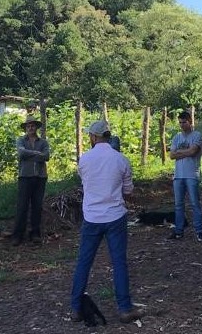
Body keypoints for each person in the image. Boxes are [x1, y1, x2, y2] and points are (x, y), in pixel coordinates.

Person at [70, 120, 144, 324]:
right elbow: (128, 191)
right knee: (119, 262)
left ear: (93, 137)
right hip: (115, 216)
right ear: (108, 136)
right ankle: (124, 308)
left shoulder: (84, 159)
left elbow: (86, 183)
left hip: (92, 217)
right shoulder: (121, 159)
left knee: (84, 262)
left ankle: (76, 308)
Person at [11, 115, 50, 246]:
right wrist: (38, 154)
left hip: (40, 177)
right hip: (25, 177)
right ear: (25, 128)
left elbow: (47, 156)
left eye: (33, 125)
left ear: (36, 127)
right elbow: (21, 154)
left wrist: (31, 154)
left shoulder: (43, 142)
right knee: (22, 206)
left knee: (37, 206)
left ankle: (35, 233)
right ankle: (17, 235)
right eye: (28, 126)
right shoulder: (21, 140)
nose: (31, 128)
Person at [168, 111, 202, 241]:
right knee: (178, 205)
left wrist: (179, 152)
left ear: (190, 121)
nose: (182, 125)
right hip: (178, 175)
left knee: (195, 203)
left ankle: (199, 230)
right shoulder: (176, 137)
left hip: (192, 174)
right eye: (180, 122)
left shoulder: (197, 135)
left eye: (184, 122)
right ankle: (179, 231)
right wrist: (185, 152)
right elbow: (171, 155)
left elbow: (193, 151)